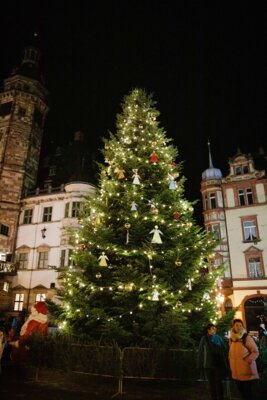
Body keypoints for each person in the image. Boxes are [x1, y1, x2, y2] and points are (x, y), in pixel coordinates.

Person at [229, 318, 259, 400]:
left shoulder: (246, 337)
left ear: (243, 327)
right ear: (233, 327)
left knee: (248, 394)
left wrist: (247, 360)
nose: (238, 327)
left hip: (246, 370)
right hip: (236, 372)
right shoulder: (231, 339)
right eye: (236, 325)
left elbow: (255, 351)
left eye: (240, 325)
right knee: (241, 393)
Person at [197, 323, 229, 400]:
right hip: (208, 365)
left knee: (219, 383)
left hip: (218, 364)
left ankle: (220, 397)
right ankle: (214, 397)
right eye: (212, 328)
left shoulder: (219, 338)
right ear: (208, 330)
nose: (214, 329)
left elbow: (224, 350)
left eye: (215, 328)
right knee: (211, 384)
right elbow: (200, 352)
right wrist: (199, 364)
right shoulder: (204, 338)